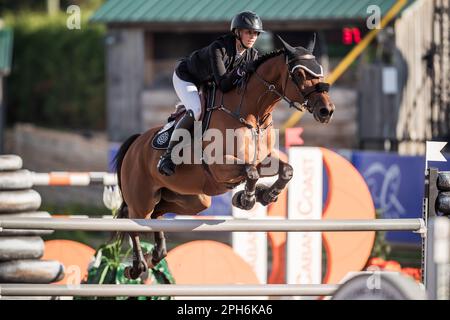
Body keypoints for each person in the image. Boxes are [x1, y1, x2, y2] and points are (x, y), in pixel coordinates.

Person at [157, 11, 265, 176]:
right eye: (248, 32)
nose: (252, 36)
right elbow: (224, 83)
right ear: (237, 32)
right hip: (187, 78)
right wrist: (242, 71)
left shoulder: (252, 55)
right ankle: (168, 157)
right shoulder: (219, 48)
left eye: (256, 33)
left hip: (209, 83)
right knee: (196, 110)